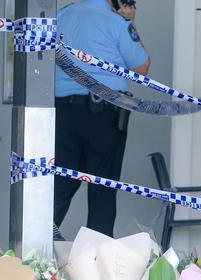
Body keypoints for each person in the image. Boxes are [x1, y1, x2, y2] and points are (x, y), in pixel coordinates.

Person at [53, 0, 151, 239]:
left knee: (59, 187)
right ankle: (95, 261)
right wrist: (132, 22)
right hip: (104, 115)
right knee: (103, 190)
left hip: (63, 113)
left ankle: (35, 255)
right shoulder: (118, 22)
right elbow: (141, 69)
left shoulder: (60, 17)